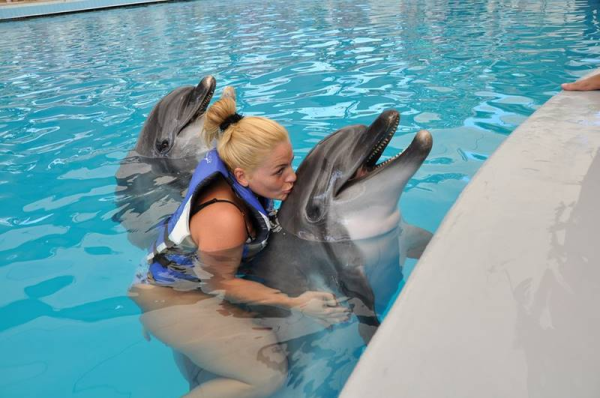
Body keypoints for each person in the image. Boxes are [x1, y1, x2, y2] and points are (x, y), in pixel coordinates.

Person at [129, 92, 350, 398]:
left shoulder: (238, 163)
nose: (293, 177)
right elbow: (219, 283)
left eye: (290, 163)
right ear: (242, 176)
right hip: (170, 295)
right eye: (279, 171)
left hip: (182, 277)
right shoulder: (225, 217)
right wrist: (296, 303)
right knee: (266, 376)